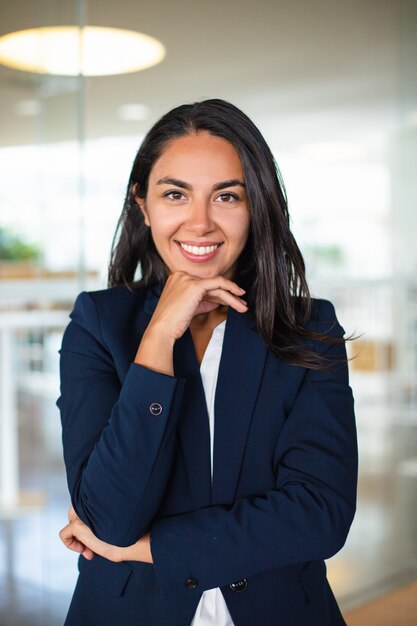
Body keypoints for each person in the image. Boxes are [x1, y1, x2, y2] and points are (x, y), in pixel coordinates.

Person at [57, 98, 358, 626]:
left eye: (226, 196)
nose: (200, 223)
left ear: (256, 206)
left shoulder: (310, 328)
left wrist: (154, 547)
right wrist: (158, 340)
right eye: (176, 194)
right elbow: (108, 517)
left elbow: (320, 516)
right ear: (143, 205)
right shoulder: (97, 326)